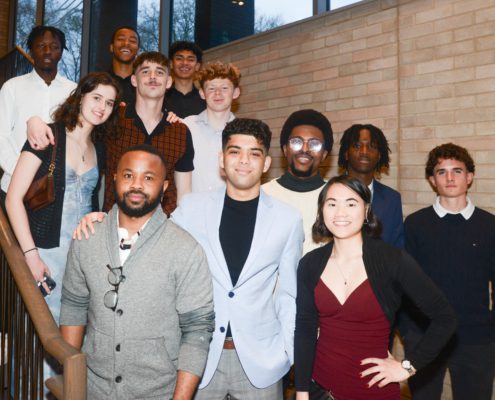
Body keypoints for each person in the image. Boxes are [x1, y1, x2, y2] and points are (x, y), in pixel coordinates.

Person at [59, 145, 214, 399]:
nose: (136, 185)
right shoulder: (86, 237)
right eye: (129, 175)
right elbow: (74, 305)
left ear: (164, 187)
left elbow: (197, 330)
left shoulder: (186, 249)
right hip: (93, 389)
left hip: (158, 392)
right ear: (115, 178)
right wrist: (71, 382)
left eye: (148, 178)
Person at [171, 118, 304, 399]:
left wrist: (288, 353)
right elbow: (153, 243)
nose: (244, 160)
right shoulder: (191, 209)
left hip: (261, 362)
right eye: (234, 151)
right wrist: (104, 220)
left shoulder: (288, 220)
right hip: (200, 358)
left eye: (254, 153)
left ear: (266, 163)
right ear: (222, 159)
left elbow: (288, 293)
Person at [5, 71, 121, 390]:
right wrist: (30, 255)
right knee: (37, 337)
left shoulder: (102, 147)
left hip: (81, 256)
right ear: (80, 96)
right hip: (44, 251)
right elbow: (13, 199)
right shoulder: (49, 136)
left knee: (72, 338)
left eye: (109, 103)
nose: (101, 107)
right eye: (96, 97)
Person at [294, 175, 457, 400]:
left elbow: (445, 318)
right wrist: (302, 392)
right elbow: (305, 329)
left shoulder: (392, 260)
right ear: (322, 211)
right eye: (331, 204)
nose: (340, 213)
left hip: (374, 391)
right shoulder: (310, 263)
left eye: (351, 204)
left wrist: (407, 367)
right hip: (320, 389)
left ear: (366, 210)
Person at [26, 51, 194, 216]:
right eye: (145, 71)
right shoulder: (112, 119)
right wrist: (34, 121)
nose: (152, 77)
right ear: (134, 80)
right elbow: (73, 130)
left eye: (159, 72)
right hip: (114, 225)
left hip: (163, 227)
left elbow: (184, 193)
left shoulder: (180, 131)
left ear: (169, 82)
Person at [402, 143, 495, 400]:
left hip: (476, 340)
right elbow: (403, 285)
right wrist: (410, 333)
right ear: (432, 180)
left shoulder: (490, 226)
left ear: (470, 176)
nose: (450, 177)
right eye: (442, 172)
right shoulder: (415, 224)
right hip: (425, 338)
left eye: (457, 170)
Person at [0, 25, 76, 201]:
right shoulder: (12, 87)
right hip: (12, 183)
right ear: (32, 51)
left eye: (54, 47)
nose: (48, 51)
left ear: (62, 52)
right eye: (41, 46)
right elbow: (1, 136)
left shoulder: (73, 91)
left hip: (56, 188)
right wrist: (19, 170)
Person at [263, 109, 333, 255]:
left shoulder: (336, 196)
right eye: (296, 142)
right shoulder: (263, 194)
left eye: (314, 144)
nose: (305, 149)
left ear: (324, 154)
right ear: (285, 149)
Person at [338, 124, 404, 247]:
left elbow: (397, 251)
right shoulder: (328, 193)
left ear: (379, 155)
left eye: (372, 146)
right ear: (346, 153)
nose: (364, 152)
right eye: (357, 146)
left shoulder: (392, 199)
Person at [183, 61, 241, 193]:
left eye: (225, 88)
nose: (218, 93)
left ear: (236, 92)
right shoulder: (187, 126)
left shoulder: (243, 133)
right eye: (211, 88)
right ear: (202, 93)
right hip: (192, 210)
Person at [166, 41, 206, 118]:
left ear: (197, 66)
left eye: (190, 60)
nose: (184, 63)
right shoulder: (161, 98)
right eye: (179, 58)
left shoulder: (205, 100)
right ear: (171, 64)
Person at [108, 25, 140, 105]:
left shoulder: (144, 84)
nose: (126, 44)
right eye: (121, 39)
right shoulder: (99, 81)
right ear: (111, 47)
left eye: (132, 41)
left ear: (138, 50)